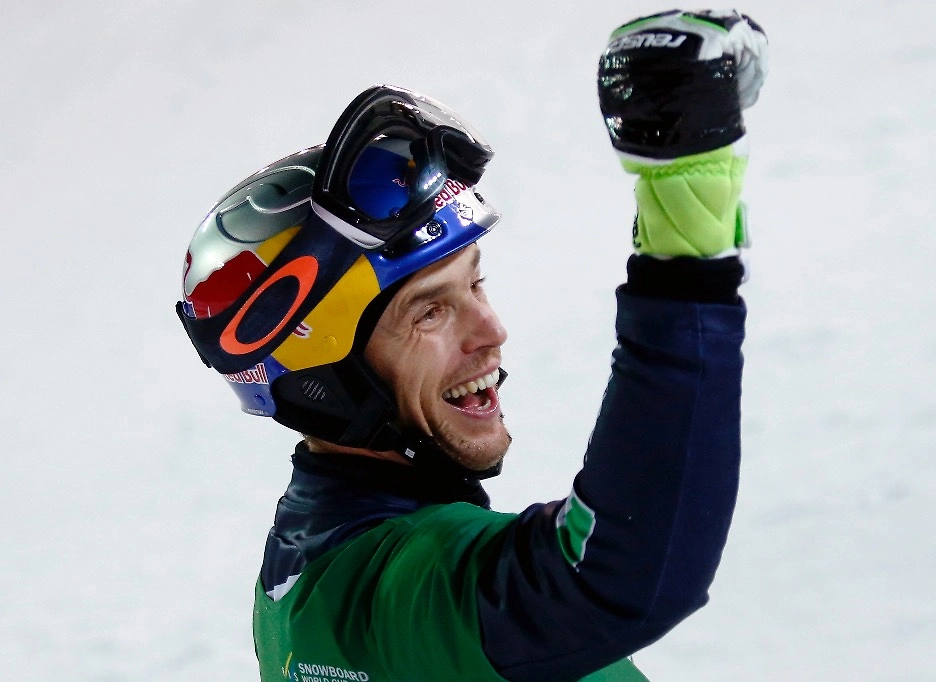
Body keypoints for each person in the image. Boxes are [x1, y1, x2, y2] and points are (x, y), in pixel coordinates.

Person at [176, 9, 767, 682]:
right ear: (324, 376)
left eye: (475, 283)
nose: (491, 332)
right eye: (430, 312)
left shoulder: (310, 565)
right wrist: (686, 226)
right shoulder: (380, 599)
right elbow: (608, 578)